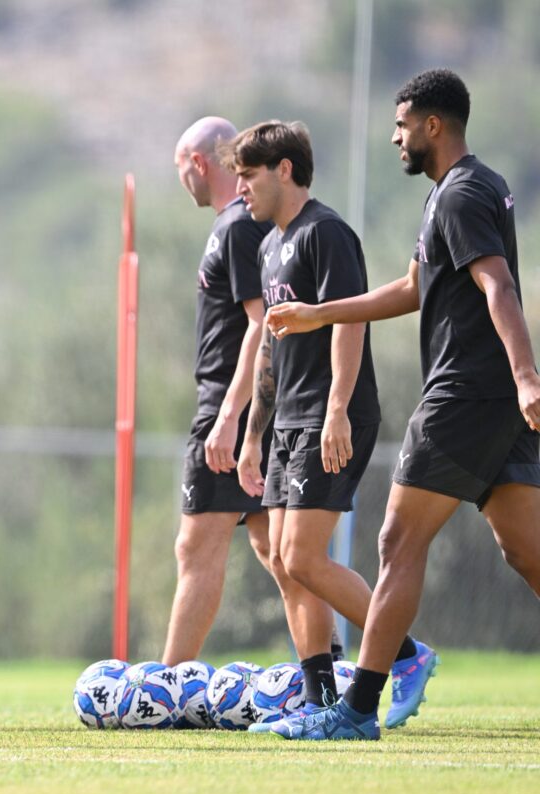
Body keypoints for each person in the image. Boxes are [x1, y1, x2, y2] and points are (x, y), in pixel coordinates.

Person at [265, 69, 537, 741]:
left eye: (403, 125)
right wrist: (318, 314)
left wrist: (528, 375)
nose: (395, 138)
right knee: (527, 553)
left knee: (396, 541)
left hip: (466, 393)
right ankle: (359, 705)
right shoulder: (463, 191)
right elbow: (415, 287)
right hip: (493, 400)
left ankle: (355, 712)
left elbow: (497, 285)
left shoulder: (462, 194)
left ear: (434, 126)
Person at [217, 121, 430, 735]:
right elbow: (268, 349)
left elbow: (349, 323)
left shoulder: (326, 232)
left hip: (330, 414)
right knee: (285, 564)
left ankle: (408, 653)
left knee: (303, 556)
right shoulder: (266, 245)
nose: (241, 188)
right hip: (286, 419)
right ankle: (316, 702)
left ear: (285, 169)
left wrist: (337, 407)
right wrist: (255, 432)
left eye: (249, 175)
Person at [163, 117, 279, 669]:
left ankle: (163, 689)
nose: (181, 178)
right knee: (280, 551)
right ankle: (342, 667)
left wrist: (230, 416)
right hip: (252, 404)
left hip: (229, 406)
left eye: (180, 167)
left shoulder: (236, 226)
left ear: (200, 162)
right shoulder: (242, 224)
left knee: (196, 547)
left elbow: (260, 324)